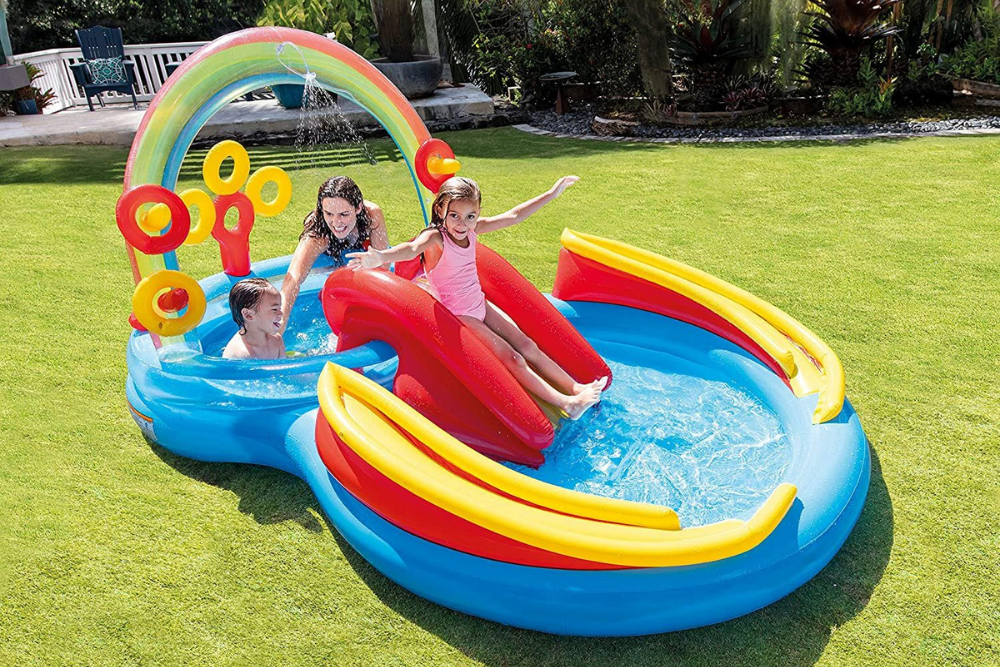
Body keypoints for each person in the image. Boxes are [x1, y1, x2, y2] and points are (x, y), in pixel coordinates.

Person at [347, 176, 607, 420]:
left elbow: (514, 216)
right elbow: (411, 249)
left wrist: (552, 193)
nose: (462, 224)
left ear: (478, 214)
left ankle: (575, 388)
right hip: (458, 315)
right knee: (512, 358)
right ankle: (567, 404)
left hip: (479, 304)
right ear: (441, 212)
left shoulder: (473, 230)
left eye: (470, 216)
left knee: (527, 345)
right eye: (455, 216)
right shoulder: (436, 238)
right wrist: (380, 257)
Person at [279, 176, 389, 332]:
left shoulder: (371, 215)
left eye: (344, 214)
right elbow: (293, 279)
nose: (336, 222)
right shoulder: (318, 233)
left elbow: (383, 266)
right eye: (329, 213)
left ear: (357, 208)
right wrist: (279, 326)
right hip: (328, 260)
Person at [223, 278, 285, 360]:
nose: (281, 314)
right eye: (274, 309)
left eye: (279, 308)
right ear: (248, 315)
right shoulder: (239, 355)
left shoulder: (277, 340)